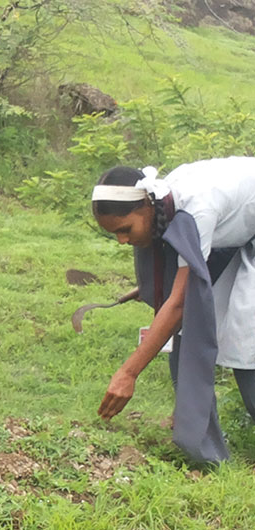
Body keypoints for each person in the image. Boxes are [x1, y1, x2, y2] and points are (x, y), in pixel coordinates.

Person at [92, 160, 255, 462]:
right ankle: (202, 449)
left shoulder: (196, 209)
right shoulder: (164, 203)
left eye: (125, 229)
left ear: (146, 206)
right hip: (238, 234)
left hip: (245, 237)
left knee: (247, 341)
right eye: (114, 234)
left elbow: (179, 304)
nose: (122, 240)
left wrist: (128, 373)